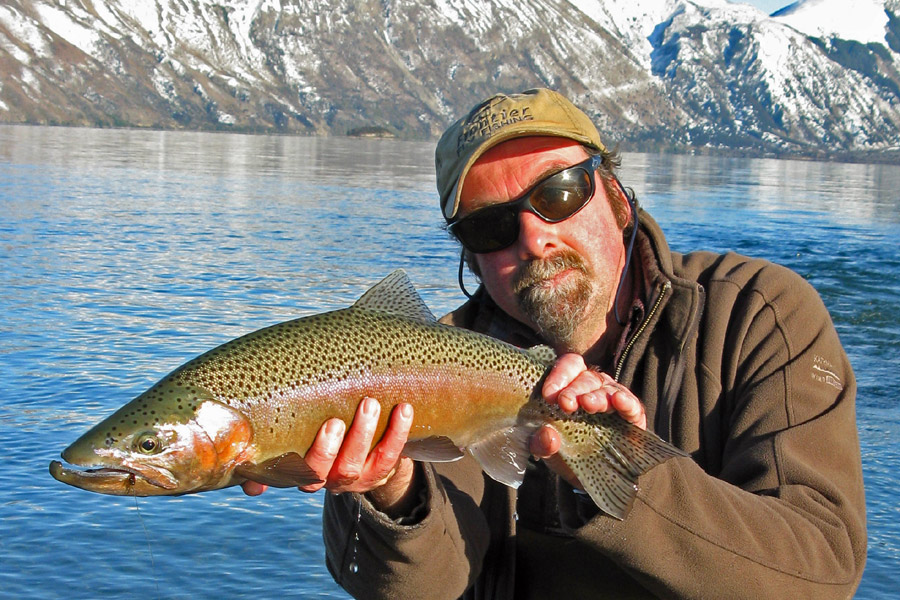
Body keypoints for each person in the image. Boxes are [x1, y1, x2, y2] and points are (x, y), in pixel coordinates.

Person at [243, 88, 867, 598]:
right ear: (471, 255)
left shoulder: (759, 313)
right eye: (491, 226)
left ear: (618, 198)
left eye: (558, 194)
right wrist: (391, 492)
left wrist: (619, 471)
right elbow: (424, 591)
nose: (534, 238)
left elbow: (821, 573)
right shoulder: (427, 366)